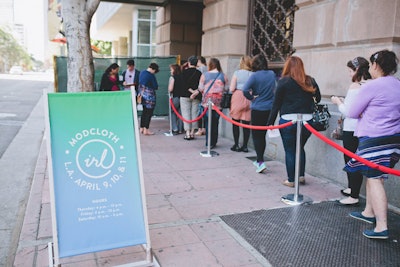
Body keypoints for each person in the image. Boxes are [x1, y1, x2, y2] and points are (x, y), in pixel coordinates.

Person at [344, 50, 400, 239]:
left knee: (375, 178)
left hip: (373, 138)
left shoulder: (371, 86)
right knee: (374, 175)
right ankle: (369, 212)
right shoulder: (398, 85)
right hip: (393, 139)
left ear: (376, 65)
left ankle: (381, 227)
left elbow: (351, 112)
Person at [267, 56, 321, 185]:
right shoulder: (310, 80)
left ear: (287, 66)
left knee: (290, 150)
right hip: (307, 121)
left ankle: (291, 180)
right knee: (300, 147)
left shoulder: (283, 82)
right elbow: (318, 98)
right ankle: (301, 176)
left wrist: (270, 122)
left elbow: (276, 104)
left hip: (288, 121)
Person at [331, 57, 371, 205]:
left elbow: (349, 112)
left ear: (356, 70)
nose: (348, 74)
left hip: (351, 128)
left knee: (351, 160)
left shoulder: (355, 86)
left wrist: (338, 102)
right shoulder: (369, 84)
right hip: (364, 129)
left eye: (350, 71)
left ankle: (353, 195)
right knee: (356, 159)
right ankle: (351, 189)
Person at [243, 54, 276, 173]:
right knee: (263, 135)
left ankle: (260, 161)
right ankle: (260, 160)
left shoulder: (254, 76)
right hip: (270, 108)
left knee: (257, 136)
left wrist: (252, 97)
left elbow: (245, 90)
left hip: (258, 108)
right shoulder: (272, 74)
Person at [198, 57, 228, 148]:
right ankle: (214, 141)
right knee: (215, 122)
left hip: (207, 102)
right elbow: (227, 89)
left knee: (208, 123)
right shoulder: (223, 75)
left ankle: (208, 142)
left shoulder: (204, 75)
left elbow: (200, 88)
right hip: (218, 103)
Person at [229, 55, 252, 152]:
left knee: (236, 122)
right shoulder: (252, 74)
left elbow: (231, 88)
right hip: (249, 96)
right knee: (246, 122)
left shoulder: (237, 73)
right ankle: (245, 146)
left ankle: (236, 144)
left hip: (238, 95)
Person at [180, 56, 202, 140]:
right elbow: (201, 85)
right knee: (194, 114)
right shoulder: (199, 73)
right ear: (196, 63)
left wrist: (191, 91)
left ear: (189, 62)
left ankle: (188, 133)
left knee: (186, 114)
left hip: (185, 95)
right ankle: (193, 132)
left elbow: (183, 84)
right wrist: (195, 92)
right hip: (196, 96)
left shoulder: (184, 72)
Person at [138, 62, 159, 135]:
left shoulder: (142, 72)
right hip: (150, 97)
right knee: (149, 113)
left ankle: (141, 128)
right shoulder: (151, 75)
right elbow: (155, 86)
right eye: (155, 71)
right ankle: (146, 129)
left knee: (144, 112)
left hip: (142, 95)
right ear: (153, 69)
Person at [168, 64, 184, 134]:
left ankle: (175, 128)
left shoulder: (173, 77)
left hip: (175, 97)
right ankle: (181, 129)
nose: (170, 71)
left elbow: (170, 89)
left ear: (174, 70)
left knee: (173, 112)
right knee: (180, 113)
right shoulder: (183, 76)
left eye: (171, 70)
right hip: (183, 97)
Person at [195, 56, 207, 136]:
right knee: (205, 113)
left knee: (200, 112)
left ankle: (200, 129)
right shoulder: (208, 68)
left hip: (201, 93)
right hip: (208, 93)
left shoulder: (199, 69)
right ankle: (205, 129)